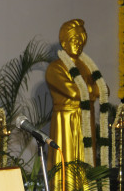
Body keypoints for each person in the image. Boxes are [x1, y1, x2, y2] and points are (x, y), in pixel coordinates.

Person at [46, 19, 99, 190]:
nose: (78, 43)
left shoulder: (87, 66)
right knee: (66, 163)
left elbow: (104, 89)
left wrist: (90, 90)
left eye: (81, 39)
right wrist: (92, 89)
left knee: (87, 163)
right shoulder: (55, 68)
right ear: (64, 42)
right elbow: (74, 92)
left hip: (86, 119)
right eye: (74, 39)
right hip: (65, 121)